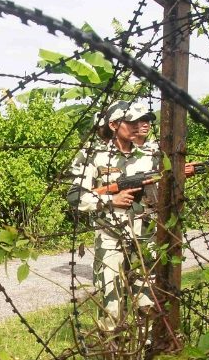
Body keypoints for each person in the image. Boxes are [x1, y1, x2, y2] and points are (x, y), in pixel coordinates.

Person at [65, 100, 161, 331]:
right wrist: (110, 200)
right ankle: (112, 357)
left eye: (142, 120)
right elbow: (75, 196)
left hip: (145, 238)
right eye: (132, 121)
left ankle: (147, 355)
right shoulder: (93, 155)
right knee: (111, 306)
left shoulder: (151, 154)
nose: (140, 125)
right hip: (111, 239)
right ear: (114, 125)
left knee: (148, 302)